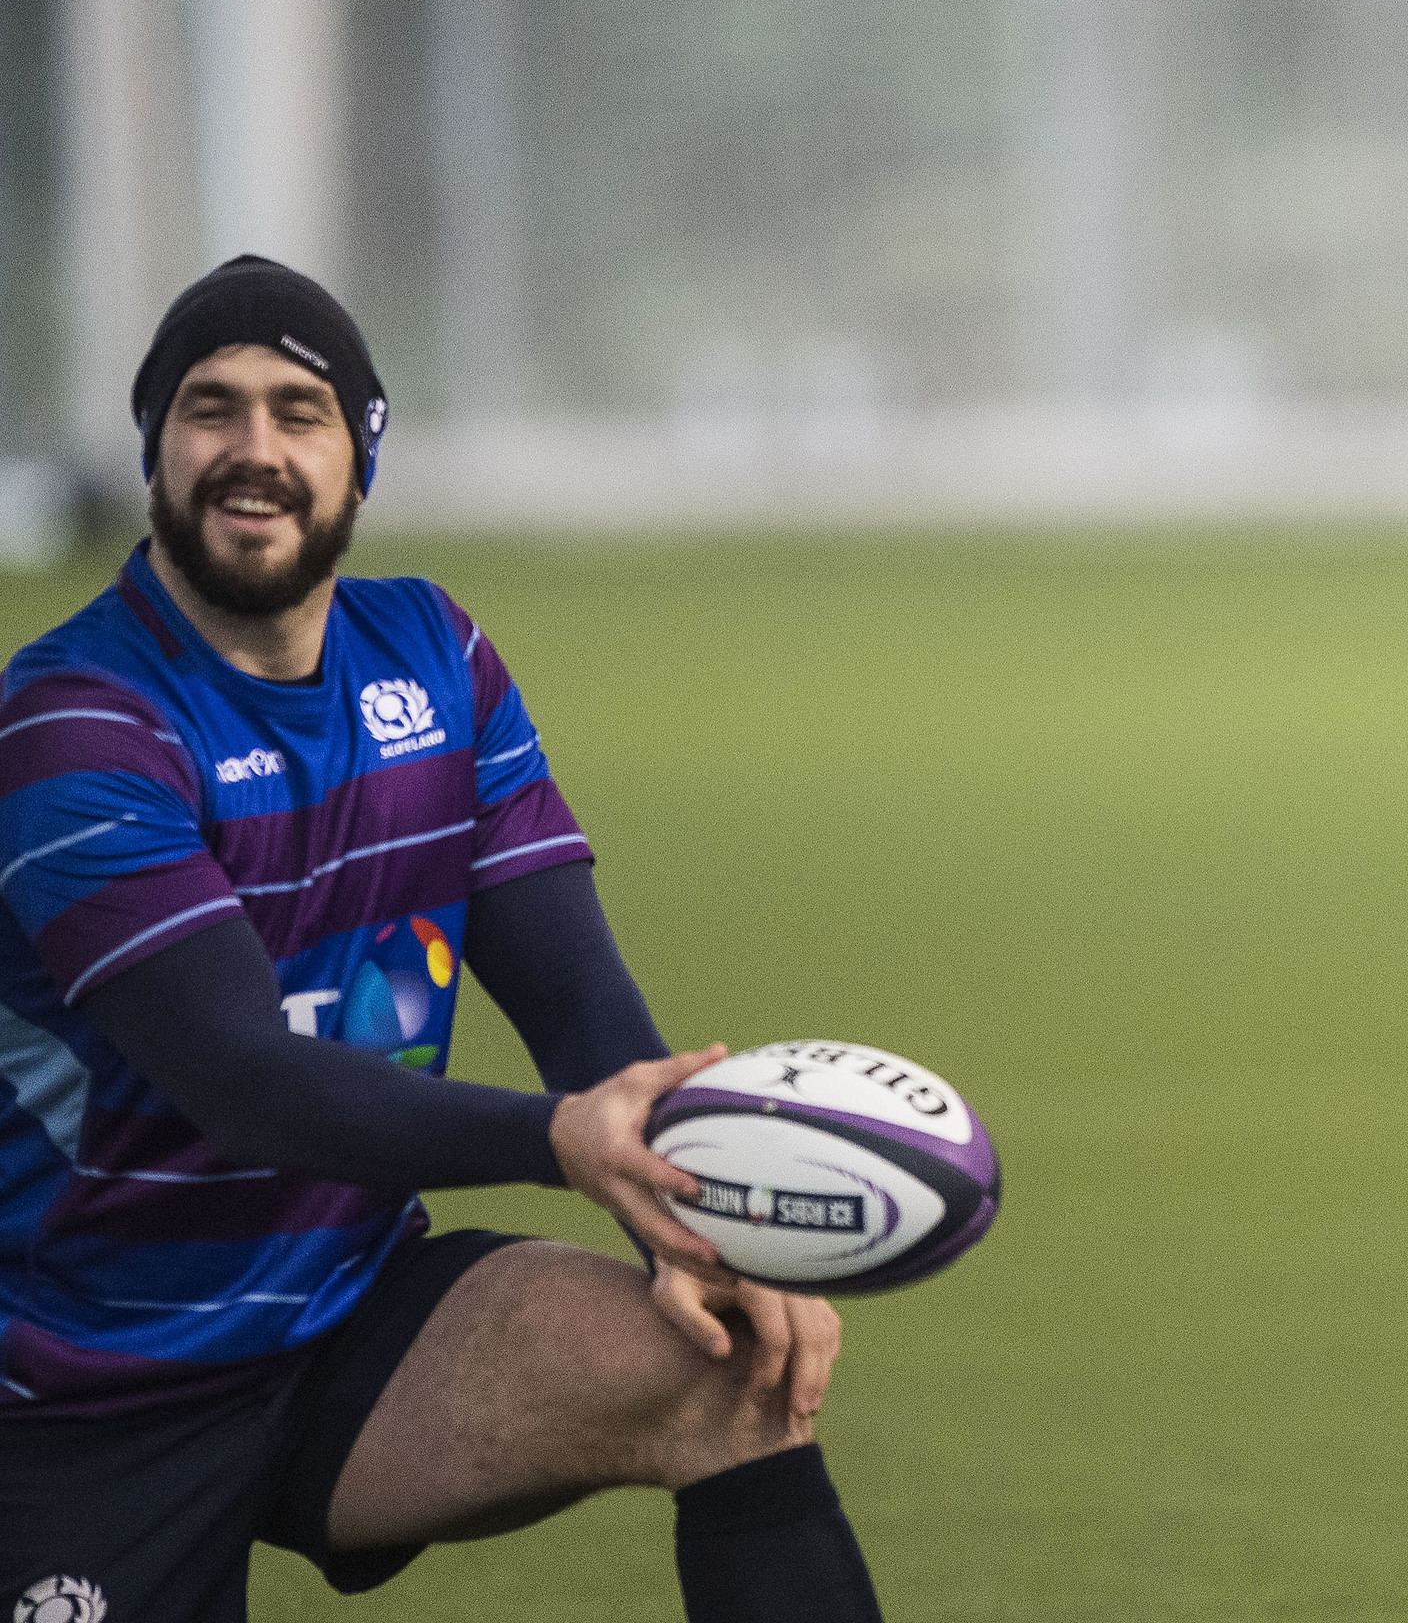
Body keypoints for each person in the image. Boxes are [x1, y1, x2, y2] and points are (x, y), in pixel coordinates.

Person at [0, 257, 884, 1622]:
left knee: (728, 1369)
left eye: (300, 412)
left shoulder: (433, 656)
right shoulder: (76, 723)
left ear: (361, 451)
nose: (254, 451)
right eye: (209, 410)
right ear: (153, 449)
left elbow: (575, 990)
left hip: (345, 1318)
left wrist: (691, 1219)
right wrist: (555, 1143)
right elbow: (242, 1078)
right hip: (78, 1382)